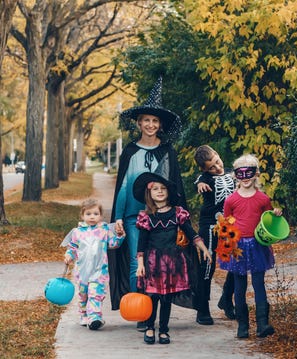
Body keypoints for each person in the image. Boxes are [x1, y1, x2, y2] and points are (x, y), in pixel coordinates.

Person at [108, 77, 187, 332]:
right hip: (133, 214)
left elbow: (175, 185)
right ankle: (142, 312)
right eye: (146, 120)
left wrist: (180, 217)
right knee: (136, 261)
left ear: (159, 124)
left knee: (161, 262)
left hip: (161, 216)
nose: (150, 124)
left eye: (155, 121)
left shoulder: (167, 151)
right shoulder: (130, 150)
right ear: (139, 123)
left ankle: (157, 314)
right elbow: (122, 186)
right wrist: (118, 216)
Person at [133, 172, 212, 345]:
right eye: (155, 189)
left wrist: (204, 248)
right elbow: (142, 244)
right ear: (150, 194)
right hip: (152, 261)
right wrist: (140, 264)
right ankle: (149, 327)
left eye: (163, 188)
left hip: (172, 262)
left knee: (166, 297)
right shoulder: (146, 217)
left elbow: (191, 233)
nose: (160, 192)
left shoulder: (177, 213)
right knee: (152, 296)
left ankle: (163, 330)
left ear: (168, 192)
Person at [219, 154, 282, 339]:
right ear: (235, 175)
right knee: (239, 287)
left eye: (249, 172)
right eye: (240, 173)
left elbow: (268, 221)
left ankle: (262, 324)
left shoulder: (263, 199)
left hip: (257, 246)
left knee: (258, 284)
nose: (245, 177)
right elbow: (226, 225)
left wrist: (276, 213)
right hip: (238, 246)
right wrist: (227, 247)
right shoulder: (230, 200)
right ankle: (243, 326)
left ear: (256, 174)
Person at [62, 198, 125, 330]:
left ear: (100, 215)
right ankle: (84, 315)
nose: (92, 217)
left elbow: (113, 244)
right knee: (83, 295)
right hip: (82, 271)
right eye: (88, 214)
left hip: (99, 271)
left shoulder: (104, 230)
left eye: (95, 214)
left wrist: (119, 236)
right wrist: (69, 255)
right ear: (82, 215)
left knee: (96, 294)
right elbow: (73, 247)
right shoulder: (77, 232)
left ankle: (95, 318)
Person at [193, 145, 236, 325]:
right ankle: (202, 308)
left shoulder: (231, 173)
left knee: (236, 264)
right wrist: (200, 183)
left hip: (230, 226)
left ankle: (226, 298)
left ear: (218, 155)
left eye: (217, 162)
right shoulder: (205, 179)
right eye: (211, 167)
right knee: (208, 266)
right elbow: (198, 181)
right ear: (204, 170)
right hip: (210, 226)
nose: (217, 168)